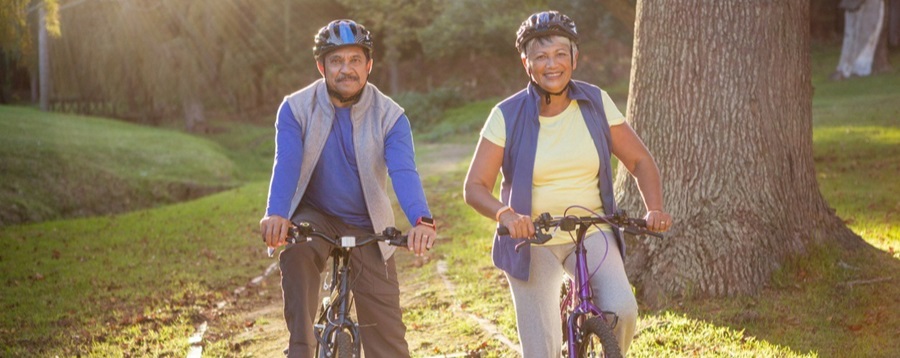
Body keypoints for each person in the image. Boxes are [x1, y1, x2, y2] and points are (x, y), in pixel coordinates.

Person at [463, 11, 672, 357]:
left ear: (575, 57)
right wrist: (508, 216)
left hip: (591, 232)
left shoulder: (596, 102)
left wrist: (655, 209)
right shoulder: (507, 114)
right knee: (541, 349)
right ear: (525, 62)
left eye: (561, 53)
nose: (552, 64)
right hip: (531, 241)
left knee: (622, 311)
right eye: (540, 56)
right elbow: (475, 186)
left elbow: (639, 161)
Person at [259, 19, 436, 358]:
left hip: (368, 221)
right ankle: (301, 346)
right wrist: (276, 214)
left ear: (369, 65)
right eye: (336, 61)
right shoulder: (295, 108)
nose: (346, 70)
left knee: (390, 342)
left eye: (355, 60)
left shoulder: (391, 116)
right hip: (316, 215)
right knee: (296, 252)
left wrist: (422, 220)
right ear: (321, 66)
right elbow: (286, 163)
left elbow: (403, 171)